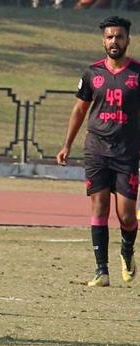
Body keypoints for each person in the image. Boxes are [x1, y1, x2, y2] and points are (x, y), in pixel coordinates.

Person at [57, 16, 138, 287]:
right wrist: (67, 144)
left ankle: (127, 251)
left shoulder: (137, 74)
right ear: (103, 40)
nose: (114, 41)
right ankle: (101, 270)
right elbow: (79, 110)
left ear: (128, 39)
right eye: (109, 37)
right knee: (99, 206)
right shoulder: (92, 73)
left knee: (126, 215)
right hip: (97, 150)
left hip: (127, 153)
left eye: (119, 36)